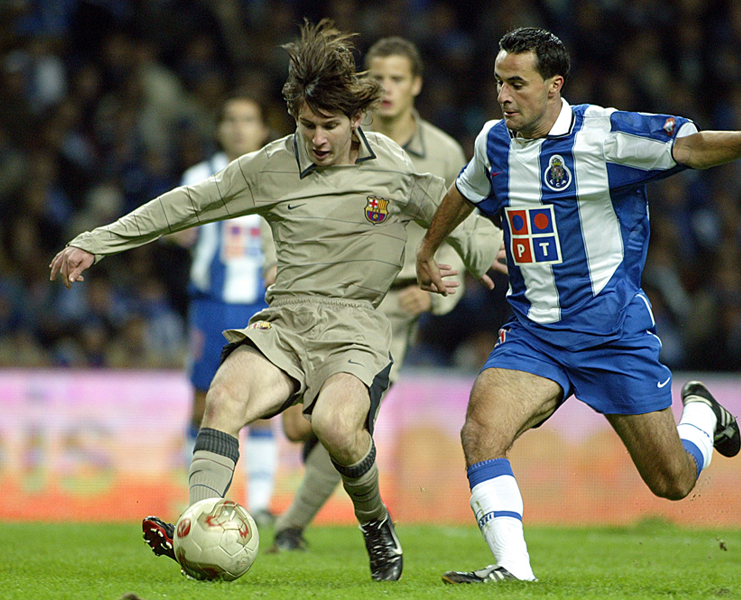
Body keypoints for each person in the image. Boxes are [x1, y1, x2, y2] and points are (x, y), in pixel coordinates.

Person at [50, 20, 503, 582]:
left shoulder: (389, 165)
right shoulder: (272, 166)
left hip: (358, 326)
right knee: (224, 397)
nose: (315, 137)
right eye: (306, 124)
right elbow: (188, 204)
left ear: (357, 119)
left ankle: (375, 525)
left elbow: (444, 203)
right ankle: (196, 531)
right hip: (286, 322)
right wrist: (96, 241)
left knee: (338, 426)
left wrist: (486, 249)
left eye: (329, 126)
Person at [416, 26, 741, 584]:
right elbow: (465, 190)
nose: (503, 95)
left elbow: (688, 147)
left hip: (611, 334)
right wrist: (429, 248)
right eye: (498, 82)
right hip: (535, 334)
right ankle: (513, 570)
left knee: (672, 482)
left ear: (554, 86)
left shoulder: (602, 134)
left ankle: (701, 414)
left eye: (516, 84)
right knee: (481, 430)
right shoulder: (493, 141)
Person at [269, 35, 484, 553]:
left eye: (396, 79)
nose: (385, 88)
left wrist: (436, 296)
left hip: (394, 306)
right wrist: (274, 258)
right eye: (377, 77)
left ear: (415, 86)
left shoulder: (441, 152)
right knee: (300, 427)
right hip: (319, 293)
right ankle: (314, 440)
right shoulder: (334, 134)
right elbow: (283, 196)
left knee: (348, 422)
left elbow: (456, 223)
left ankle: (290, 528)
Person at [173, 95, 279, 527]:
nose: (239, 128)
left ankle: (260, 505)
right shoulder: (198, 176)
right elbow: (174, 229)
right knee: (202, 401)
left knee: (262, 405)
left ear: (263, 130)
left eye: (248, 120)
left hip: (261, 305)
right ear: (219, 129)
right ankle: (199, 502)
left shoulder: (278, 176)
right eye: (231, 120)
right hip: (211, 305)